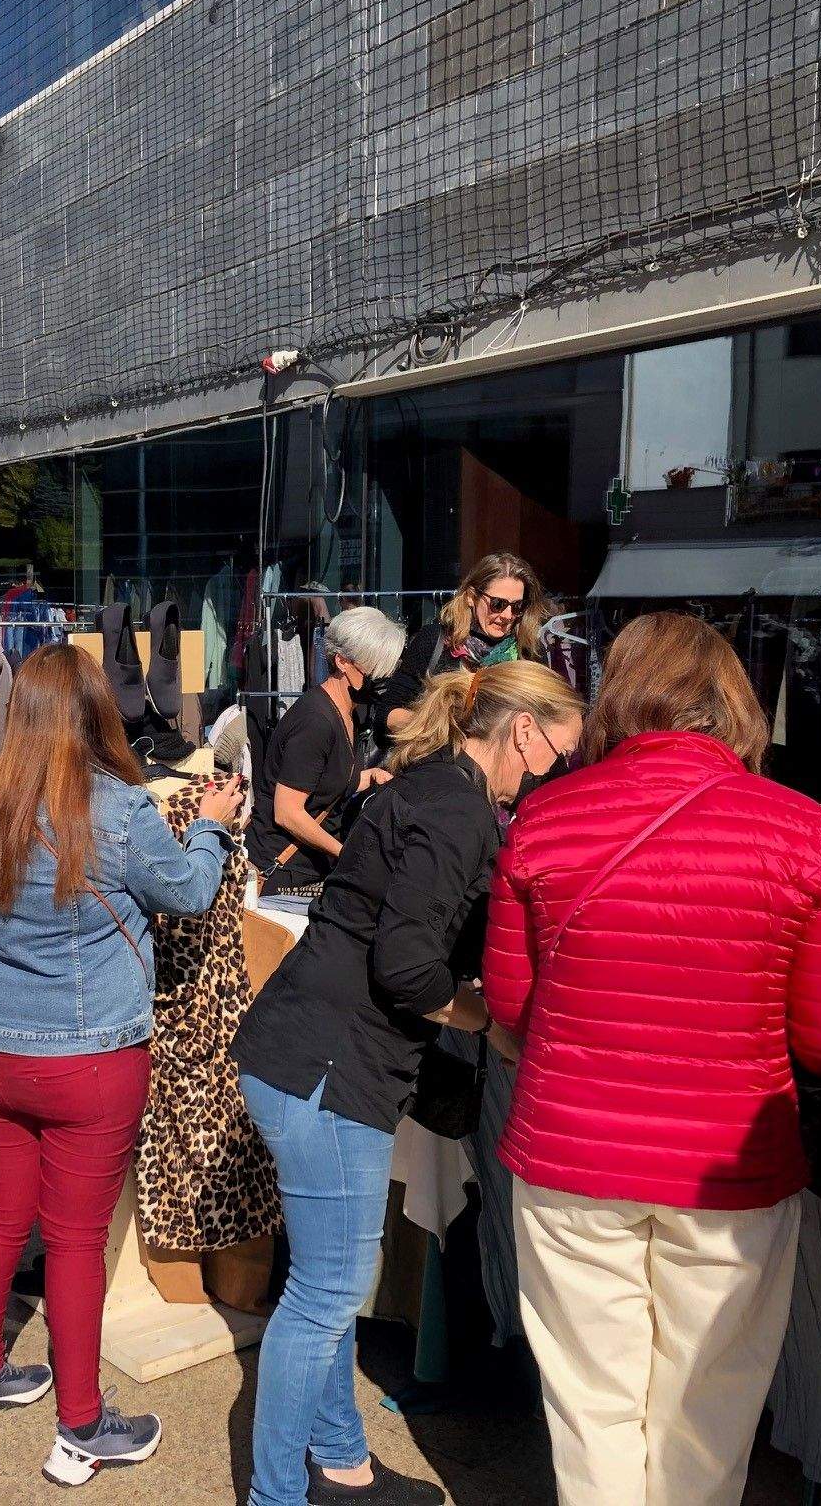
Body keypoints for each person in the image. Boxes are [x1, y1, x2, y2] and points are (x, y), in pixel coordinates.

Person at [481, 611, 821, 1506]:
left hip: (573, 1153)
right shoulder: (807, 831)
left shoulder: (544, 819)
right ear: (735, 703)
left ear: (620, 698)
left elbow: (510, 1006)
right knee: (708, 1414)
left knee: (593, 1410)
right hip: (729, 1165)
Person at [232, 660, 586, 1506]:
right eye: (556, 757)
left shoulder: (430, 788)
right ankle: (276, 1496)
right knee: (326, 1297)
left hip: (299, 1053)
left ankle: (343, 1464)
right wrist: (486, 1022)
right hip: (330, 1070)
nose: (554, 776)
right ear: (523, 731)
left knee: (322, 1285)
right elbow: (407, 966)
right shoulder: (460, 811)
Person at [0, 643, 242, 1486]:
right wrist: (212, 823)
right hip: (87, 1057)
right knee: (73, 1240)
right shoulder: (120, 808)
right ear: (96, 713)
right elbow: (186, 893)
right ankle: (79, 1426)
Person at [244, 607, 405, 898]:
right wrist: (345, 854)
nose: (382, 680)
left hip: (308, 870)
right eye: (375, 670)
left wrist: (368, 777)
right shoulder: (316, 721)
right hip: (283, 873)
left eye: (388, 671)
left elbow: (326, 782)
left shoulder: (348, 713)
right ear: (342, 661)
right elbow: (287, 812)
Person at [377, 553, 552, 737]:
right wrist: (441, 730)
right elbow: (386, 714)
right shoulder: (434, 640)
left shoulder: (529, 652)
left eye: (517, 606)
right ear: (471, 597)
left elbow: (546, 719)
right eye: (498, 604)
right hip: (442, 761)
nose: (508, 615)